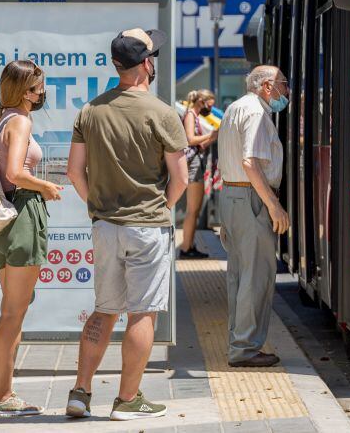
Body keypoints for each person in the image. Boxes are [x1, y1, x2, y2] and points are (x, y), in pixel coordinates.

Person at [64, 28, 188, 421]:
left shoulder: (91, 110)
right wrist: (161, 207)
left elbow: (73, 171)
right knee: (143, 313)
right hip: (147, 226)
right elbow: (181, 178)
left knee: (103, 310)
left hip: (106, 226)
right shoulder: (162, 113)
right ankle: (127, 399)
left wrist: (98, 207)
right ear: (147, 64)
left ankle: (80, 393)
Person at [0, 60, 63, 417]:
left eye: (41, 87)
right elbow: (15, 172)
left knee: (11, 310)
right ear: (21, 91)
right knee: (13, 313)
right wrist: (45, 185)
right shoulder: (19, 120)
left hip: (2, 218)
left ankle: (0, 390)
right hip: (22, 215)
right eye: (35, 88)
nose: (41, 93)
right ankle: (1, 393)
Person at [217, 65, 290, 368]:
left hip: (233, 196)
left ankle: (240, 341)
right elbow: (250, 162)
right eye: (284, 84)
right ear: (267, 86)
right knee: (256, 277)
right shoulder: (257, 113)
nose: (287, 91)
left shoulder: (235, 107)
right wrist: (273, 204)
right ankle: (245, 349)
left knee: (239, 275)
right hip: (251, 198)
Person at [178, 89, 218, 259]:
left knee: (194, 209)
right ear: (201, 101)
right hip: (193, 165)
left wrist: (214, 137)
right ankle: (186, 248)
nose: (210, 109)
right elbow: (189, 139)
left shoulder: (195, 116)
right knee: (193, 210)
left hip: (196, 162)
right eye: (210, 105)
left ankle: (189, 244)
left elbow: (199, 145)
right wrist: (210, 134)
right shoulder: (190, 115)